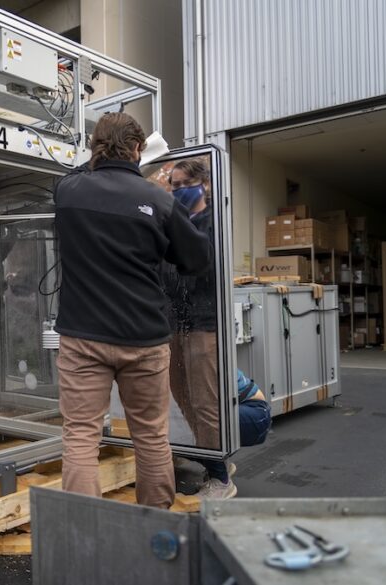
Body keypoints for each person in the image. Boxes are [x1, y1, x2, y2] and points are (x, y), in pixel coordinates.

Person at [53, 112, 212, 509]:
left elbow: (75, 175)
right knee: (151, 437)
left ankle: (83, 538)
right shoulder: (159, 199)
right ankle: (155, 532)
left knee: (80, 438)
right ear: (139, 150)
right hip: (144, 339)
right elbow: (196, 259)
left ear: (94, 149)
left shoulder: (69, 191)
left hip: (83, 339)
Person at [163, 159, 221, 450]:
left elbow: (203, 269)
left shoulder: (213, 223)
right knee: (181, 394)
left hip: (204, 324)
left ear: (205, 185)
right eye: (176, 186)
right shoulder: (175, 224)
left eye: (188, 184)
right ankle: (205, 451)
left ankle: (218, 471)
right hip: (175, 324)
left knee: (205, 401)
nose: (182, 190)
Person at [194, 370, 272, 498]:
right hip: (243, 411)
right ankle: (220, 466)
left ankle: (221, 482)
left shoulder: (198, 360)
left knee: (203, 419)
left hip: (255, 412)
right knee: (188, 425)